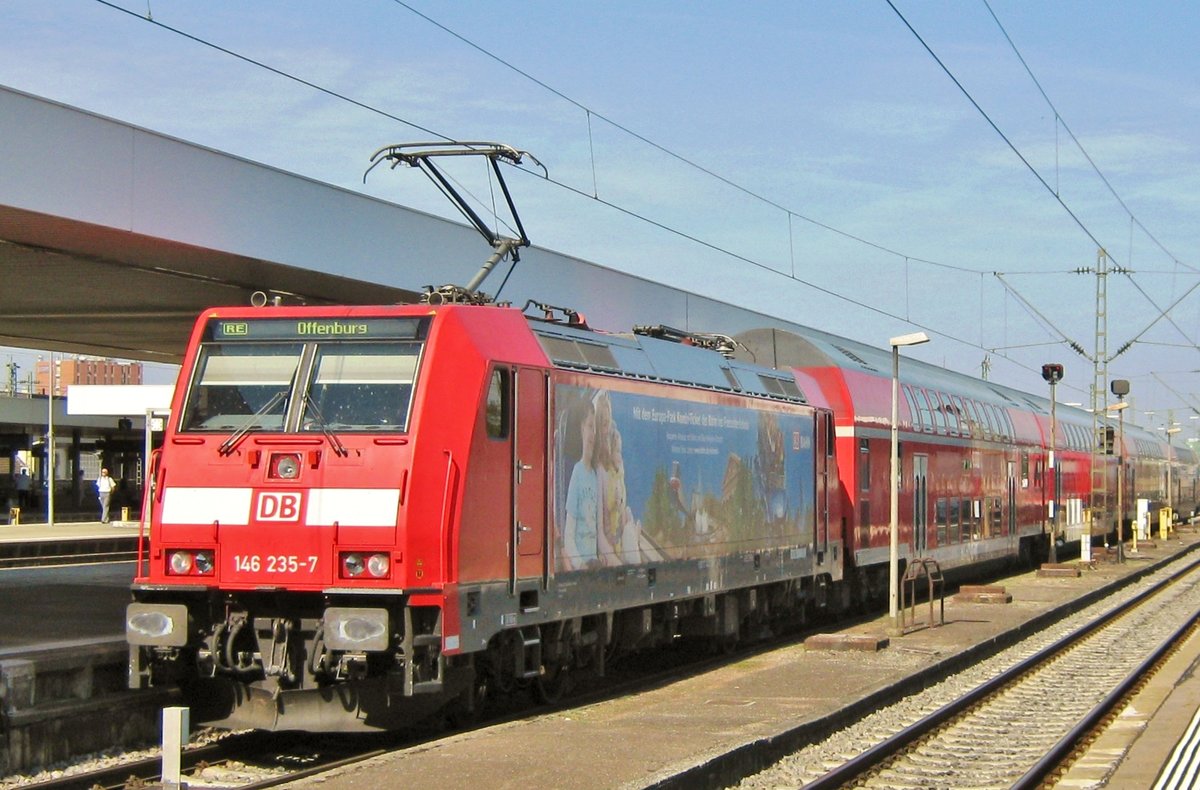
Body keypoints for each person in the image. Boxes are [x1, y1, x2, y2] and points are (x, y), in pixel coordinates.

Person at [562, 398, 601, 570]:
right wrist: (580, 564)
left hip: (595, 564)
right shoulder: (577, 473)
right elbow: (568, 536)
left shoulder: (595, 476)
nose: (593, 433)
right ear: (581, 428)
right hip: (583, 565)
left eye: (595, 429)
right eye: (590, 426)